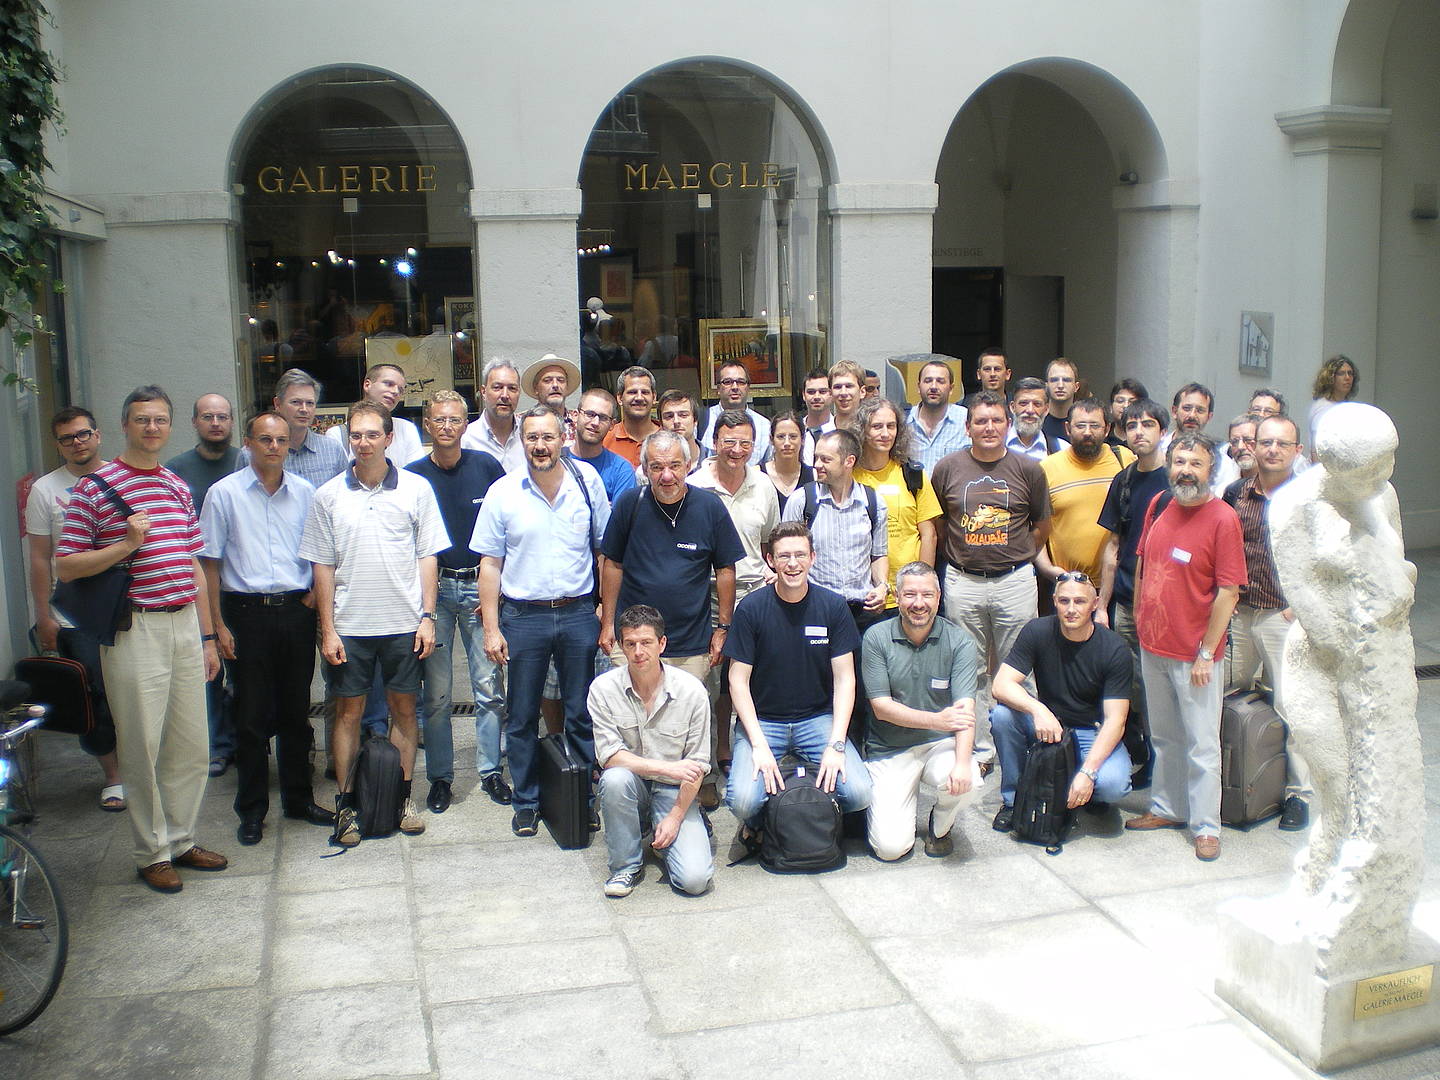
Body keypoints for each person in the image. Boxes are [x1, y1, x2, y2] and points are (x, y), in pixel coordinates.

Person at [56, 385, 229, 894]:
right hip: (135, 629)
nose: (151, 428)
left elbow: (194, 565)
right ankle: (151, 852)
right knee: (141, 745)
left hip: (184, 625)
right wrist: (126, 544)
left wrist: (208, 637)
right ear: (124, 426)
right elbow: (66, 565)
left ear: (169, 426)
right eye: (141, 420)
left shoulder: (176, 485)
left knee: (190, 744)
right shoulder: (95, 488)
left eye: (159, 420)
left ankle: (181, 838)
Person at [301, 401, 447, 846]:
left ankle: (402, 799)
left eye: (371, 434)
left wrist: (427, 617)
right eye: (356, 435)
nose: (363, 443)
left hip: (404, 623)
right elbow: (322, 567)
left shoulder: (417, 489)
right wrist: (328, 629)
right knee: (348, 714)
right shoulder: (327, 495)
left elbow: (427, 556)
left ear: (388, 438)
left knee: (404, 711)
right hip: (350, 627)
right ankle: (346, 806)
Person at [474, 406, 612, 837]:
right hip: (524, 617)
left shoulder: (587, 483)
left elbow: (605, 552)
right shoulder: (503, 492)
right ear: (522, 441)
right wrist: (492, 628)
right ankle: (527, 801)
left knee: (581, 713)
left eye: (548, 437)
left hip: (577, 613)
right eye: (532, 437)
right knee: (520, 715)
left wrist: (606, 612)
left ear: (563, 438)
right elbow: (490, 564)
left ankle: (583, 799)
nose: (540, 446)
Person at [200, 412, 333, 845]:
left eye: (280, 440)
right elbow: (209, 564)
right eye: (265, 439)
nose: (274, 447)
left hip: (295, 611)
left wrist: (313, 596)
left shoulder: (306, 492)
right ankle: (252, 810)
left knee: (296, 712)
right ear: (248, 443)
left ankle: (299, 799)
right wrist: (217, 625)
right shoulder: (224, 494)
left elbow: (321, 551)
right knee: (251, 717)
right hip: (246, 615)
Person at [1126, 432, 1245, 861]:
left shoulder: (1223, 519)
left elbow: (1229, 592)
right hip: (1153, 646)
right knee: (1164, 736)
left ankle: (1206, 826)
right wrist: (1140, 619)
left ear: (1211, 470)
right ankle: (1167, 808)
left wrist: (1207, 652)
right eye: (1179, 462)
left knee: (1201, 744)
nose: (1186, 471)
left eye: (1196, 464)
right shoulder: (1160, 504)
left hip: (1196, 655)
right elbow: (1144, 563)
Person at [723, 522, 873, 842]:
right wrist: (759, 746)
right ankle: (768, 817)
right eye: (784, 556)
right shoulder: (751, 609)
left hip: (816, 720)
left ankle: (804, 810)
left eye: (800, 555)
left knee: (859, 793)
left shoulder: (833, 607)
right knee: (742, 801)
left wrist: (836, 744)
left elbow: (845, 680)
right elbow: (737, 681)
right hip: (764, 722)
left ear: (812, 558)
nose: (793, 564)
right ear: (770, 560)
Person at [406, 390, 510, 813]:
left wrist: (496, 593)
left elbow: (504, 530)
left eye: (454, 419)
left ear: (466, 424)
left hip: (480, 589)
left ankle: (490, 770)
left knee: (489, 688)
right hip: (436, 592)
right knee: (436, 695)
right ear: (427, 425)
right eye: (439, 420)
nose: (447, 427)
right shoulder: (413, 477)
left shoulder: (486, 467)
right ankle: (440, 777)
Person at [930, 391, 1051, 722]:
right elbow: (941, 524)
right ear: (967, 427)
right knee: (968, 668)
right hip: (963, 581)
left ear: (1008, 424)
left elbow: (1042, 525)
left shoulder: (1029, 469)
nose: (989, 427)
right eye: (981, 421)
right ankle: (978, 744)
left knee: (1019, 669)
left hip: (1015, 581)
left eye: (997, 420)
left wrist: (1015, 552)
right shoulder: (947, 468)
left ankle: (1021, 741)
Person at [25, 406, 123, 809]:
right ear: (58, 445)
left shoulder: (120, 477)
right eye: (67, 438)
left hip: (123, 607)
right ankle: (114, 776)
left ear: (97, 435)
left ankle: (142, 768)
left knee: (131, 692)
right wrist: (44, 616)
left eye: (83, 434)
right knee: (94, 696)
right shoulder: (44, 490)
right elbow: (39, 558)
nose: (77, 443)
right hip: (73, 615)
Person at [989, 572, 1134, 830]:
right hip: (1049, 726)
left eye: (1080, 601)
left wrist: (1088, 773)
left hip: (1091, 731)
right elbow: (1001, 685)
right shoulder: (1037, 631)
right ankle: (1014, 801)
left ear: (1094, 604)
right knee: (1002, 716)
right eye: (1064, 601)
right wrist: (1038, 709)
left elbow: (1116, 720)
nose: (1071, 609)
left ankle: (1087, 790)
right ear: (1054, 601)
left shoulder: (1114, 649)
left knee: (1113, 786)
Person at [1223, 413, 1311, 830]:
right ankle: (1235, 781)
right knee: (1228, 694)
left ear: (1298, 451)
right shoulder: (1235, 493)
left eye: (1282, 444)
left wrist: (1299, 607)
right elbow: (1222, 547)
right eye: (1266, 442)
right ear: (1253, 446)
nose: (1273, 450)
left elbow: (1320, 557)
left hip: (1283, 616)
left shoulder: (1309, 497)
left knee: (1291, 704)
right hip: (1240, 612)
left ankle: (1298, 793)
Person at [590, 605, 713, 898]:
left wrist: (676, 817)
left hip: (674, 790)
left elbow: (697, 764)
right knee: (614, 779)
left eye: (646, 642)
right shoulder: (602, 689)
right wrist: (667, 768)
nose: (638, 652)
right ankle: (625, 867)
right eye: (630, 644)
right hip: (632, 785)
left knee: (695, 881)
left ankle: (665, 829)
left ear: (662, 643)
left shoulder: (692, 691)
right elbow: (610, 757)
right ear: (621, 646)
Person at [862, 562, 983, 860]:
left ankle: (940, 825)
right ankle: (898, 802)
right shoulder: (876, 637)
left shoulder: (960, 642)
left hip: (939, 745)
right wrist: (937, 719)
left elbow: (965, 710)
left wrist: (962, 763)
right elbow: (881, 708)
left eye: (927, 595)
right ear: (897, 596)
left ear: (938, 597)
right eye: (910, 595)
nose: (919, 603)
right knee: (890, 849)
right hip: (890, 747)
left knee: (970, 778)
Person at [599, 430, 743, 679]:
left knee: (687, 704)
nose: (666, 476)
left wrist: (723, 628)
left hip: (690, 645)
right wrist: (608, 623)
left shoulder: (710, 507)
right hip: (634, 641)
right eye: (657, 467)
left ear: (688, 465)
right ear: (645, 469)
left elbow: (725, 570)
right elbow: (613, 564)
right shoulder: (629, 504)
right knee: (629, 703)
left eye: (674, 466)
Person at [690, 410, 781, 788]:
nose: (737, 450)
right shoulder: (695, 485)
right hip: (705, 596)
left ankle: (742, 754)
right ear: (714, 442)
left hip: (753, 595)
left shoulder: (763, 485)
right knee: (706, 684)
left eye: (745, 443)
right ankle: (705, 769)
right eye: (729, 441)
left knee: (748, 681)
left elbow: (769, 540)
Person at [1096, 398, 1171, 782]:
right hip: (1126, 602)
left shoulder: (1177, 480)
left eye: (1147, 424)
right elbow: (1113, 547)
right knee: (1129, 684)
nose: (1139, 432)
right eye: (1132, 426)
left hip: (1165, 607)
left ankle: (1164, 763)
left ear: (1162, 430)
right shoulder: (1123, 481)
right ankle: (1139, 752)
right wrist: (1102, 605)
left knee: (1161, 687)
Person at [167, 393, 241, 777]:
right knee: (209, 668)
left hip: (240, 584)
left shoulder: (246, 461)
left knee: (243, 669)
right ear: (194, 422)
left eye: (222, 417)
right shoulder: (176, 470)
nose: (216, 423)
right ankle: (217, 745)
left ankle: (246, 740)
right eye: (208, 416)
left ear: (232, 422)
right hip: (195, 582)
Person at [1034, 398, 1133, 594]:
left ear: (1107, 429)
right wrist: (1048, 569)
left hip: (1118, 582)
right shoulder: (1047, 468)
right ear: (1067, 429)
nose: (1087, 432)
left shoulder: (1124, 459)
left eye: (1095, 426)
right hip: (1068, 585)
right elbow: (1034, 526)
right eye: (1080, 426)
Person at [852, 396, 941, 603]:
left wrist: (922, 585)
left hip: (906, 592)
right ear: (862, 430)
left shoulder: (912, 474)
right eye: (877, 426)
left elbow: (929, 535)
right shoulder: (850, 476)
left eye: (891, 426)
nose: (885, 434)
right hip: (861, 589)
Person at [241, 368, 347, 487]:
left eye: (310, 403)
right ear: (277, 404)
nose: (304, 409)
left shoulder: (333, 450)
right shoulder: (251, 453)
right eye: (296, 402)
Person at [329, 363, 426, 465]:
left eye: (400, 390)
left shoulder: (406, 428)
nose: (395, 392)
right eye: (389, 384)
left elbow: (416, 471)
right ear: (367, 385)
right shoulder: (338, 435)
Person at [568, 386, 638, 503]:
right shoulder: (557, 460)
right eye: (590, 414)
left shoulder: (621, 470)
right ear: (575, 415)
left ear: (612, 425)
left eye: (603, 418)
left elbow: (620, 514)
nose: (595, 423)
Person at [699, 360, 770, 466]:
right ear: (718, 388)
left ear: (748, 388)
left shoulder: (764, 425)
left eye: (741, 382)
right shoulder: (701, 421)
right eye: (727, 382)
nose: (735, 387)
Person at [905, 360, 970, 471]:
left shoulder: (967, 419)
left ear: (951, 388)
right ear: (918, 387)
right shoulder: (904, 421)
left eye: (940, 381)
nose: (933, 387)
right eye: (928, 381)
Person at [462, 360, 524, 471]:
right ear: (483, 392)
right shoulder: (466, 439)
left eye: (512, 388)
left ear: (519, 393)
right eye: (497, 387)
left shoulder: (529, 435)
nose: (505, 395)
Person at [603, 366, 659, 466]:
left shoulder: (669, 438)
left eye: (645, 392)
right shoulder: (605, 439)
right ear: (620, 398)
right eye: (632, 392)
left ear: (654, 397)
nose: (639, 398)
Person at [762, 411, 814, 513]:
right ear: (771, 439)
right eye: (781, 437)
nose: (787, 443)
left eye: (793, 436)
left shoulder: (814, 476)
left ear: (803, 439)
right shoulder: (757, 475)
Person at [1308, 354, 1359, 454]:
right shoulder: (1322, 408)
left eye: (1350, 373)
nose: (1347, 377)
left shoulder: (1349, 407)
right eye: (1341, 373)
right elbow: (1316, 447)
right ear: (1330, 378)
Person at [525, 353, 581, 444]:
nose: (555, 385)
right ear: (536, 388)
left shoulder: (580, 423)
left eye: (561, 380)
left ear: (567, 387)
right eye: (547, 380)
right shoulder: (523, 422)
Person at [1006, 377, 1062, 460]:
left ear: (1046, 409)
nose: (1030, 410)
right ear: (1012, 407)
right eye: (1023, 403)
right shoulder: (995, 446)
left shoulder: (1062, 449)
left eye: (1037, 404)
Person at [656, 389, 706, 476]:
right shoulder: (652, 467)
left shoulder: (716, 461)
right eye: (669, 416)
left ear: (695, 420)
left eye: (683, 415)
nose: (676, 421)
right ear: (661, 423)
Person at [1160, 382, 1214, 455]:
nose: (1192, 415)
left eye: (1200, 410)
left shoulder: (1219, 457)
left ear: (1209, 417)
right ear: (1174, 412)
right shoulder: (1156, 450)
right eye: (1187, 408)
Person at [1212, 412, 1259, 495]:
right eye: (1234, 441)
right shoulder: (1223, 490)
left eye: (1248, 440)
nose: (1240, 447)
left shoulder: (1278, 486)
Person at [799, 368, 835, 466]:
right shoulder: (795, 431)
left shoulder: (840, 430)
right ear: (803, 395)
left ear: (831, 394)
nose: (816, 397)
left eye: (823, 391)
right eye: (811, 392)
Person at [1042, 358, 1079, 448]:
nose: (1060, 385)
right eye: (1054, 380)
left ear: (1076, 386)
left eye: (1066, 380)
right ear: (1046, 386)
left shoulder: (1083, 424)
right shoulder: (1036, 422)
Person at [1106, 378, 1148, 448]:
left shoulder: (1148, 438)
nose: (1125, 406)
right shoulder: (1102, 436)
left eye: (1132, 402)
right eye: (1120, 401)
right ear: (1111, 407)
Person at [828, 359, 865, 431]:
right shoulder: (820, 433)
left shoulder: (871, 433)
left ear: (862, 392)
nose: (843, 393)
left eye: (849, 386)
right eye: (837, 387)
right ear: (830, 393)